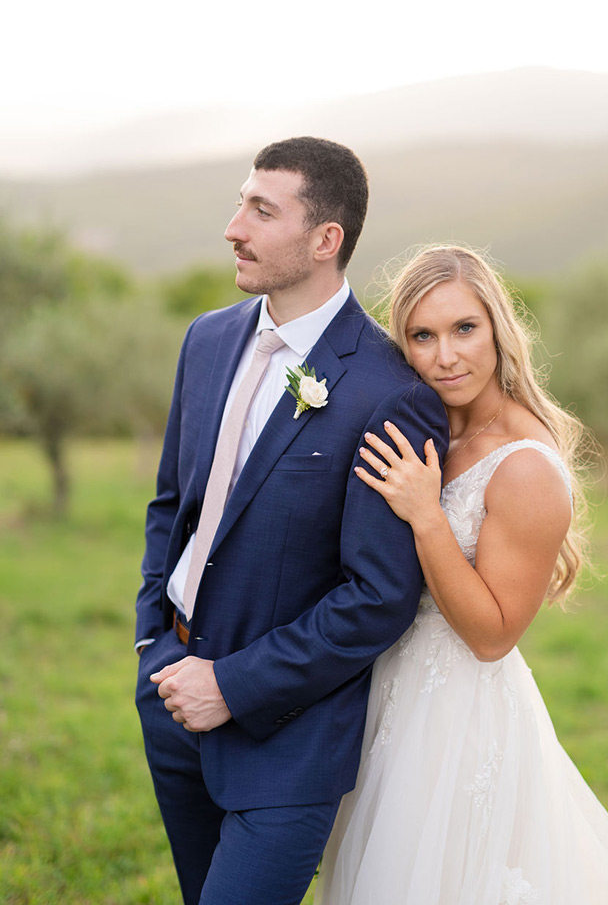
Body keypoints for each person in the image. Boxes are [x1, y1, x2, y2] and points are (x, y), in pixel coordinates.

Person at [134, 137, 449, 905]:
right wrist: (152, 638)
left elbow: (376, 596)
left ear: (324, 240)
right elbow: (174, 502)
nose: (233, 226)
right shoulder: (208, 338)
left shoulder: (388, 390)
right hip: (170, 694)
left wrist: (233, 685)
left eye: (260, 209)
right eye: (242, 201)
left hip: (289, 733)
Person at [315, 245, 608, 904]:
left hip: (457, 715)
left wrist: (427, 516)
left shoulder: (526, 466)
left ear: (498, 330)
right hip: (384, 694)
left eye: (464, 329)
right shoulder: (423, 426)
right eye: (422, 335)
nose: (445, 356)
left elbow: (493, 636)